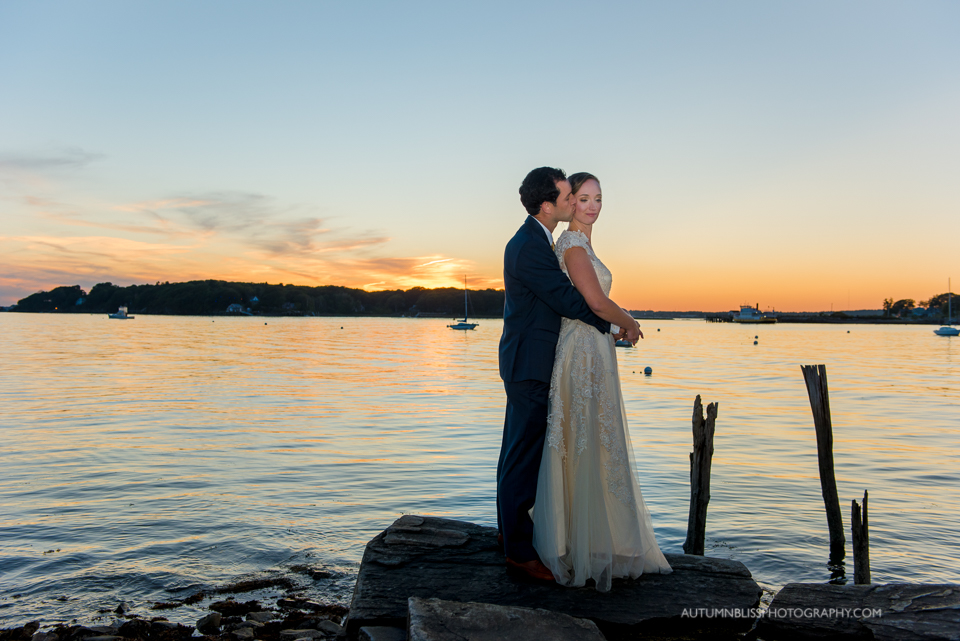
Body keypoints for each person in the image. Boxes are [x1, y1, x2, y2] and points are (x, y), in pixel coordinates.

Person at [498, 167, 641, 581]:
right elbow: (570, 299)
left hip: (533, 358)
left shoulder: (539, 240)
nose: (575, 202)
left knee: (516, 453)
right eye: (569, 196)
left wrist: (610, 324)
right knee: (522, 456)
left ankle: (510, 537)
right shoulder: (529, 245)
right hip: (530, 361)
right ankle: (519, 552)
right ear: (549, 204)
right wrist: (618, 322)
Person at [531, 172, 672, 591]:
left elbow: (592, 305)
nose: (592, 206)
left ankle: (600, 539)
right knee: (585, 441)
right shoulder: (572, 245)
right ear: (570, 202)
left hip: (595, 349)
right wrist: (628, 321)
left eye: (598, 198)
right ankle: (581, 545)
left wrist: (614, 329)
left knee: (597, 440)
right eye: (584, 198)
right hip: (581, 356)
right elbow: (593, 301)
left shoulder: (584, 244)